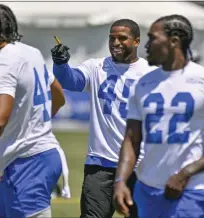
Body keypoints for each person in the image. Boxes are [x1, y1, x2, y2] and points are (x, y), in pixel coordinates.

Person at [113, 14, 204, 218]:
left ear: (173, 41)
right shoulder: (142, 84)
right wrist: (120, 181)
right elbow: (131, 139)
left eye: (153, 38)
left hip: (190, 191)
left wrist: (186, 173)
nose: (147, 45)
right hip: (146, 189)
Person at [51, 19, 157, 218]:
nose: (115, 42)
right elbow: (70, 80)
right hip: (100, 165)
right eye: (112, 38)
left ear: (136, 41)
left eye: (122, 38)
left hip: (140, 167)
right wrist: (60, 63)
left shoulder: (151, 73)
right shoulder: (96, 66)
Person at [0, 3, 67, 218]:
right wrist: (37, 126)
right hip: (37, 158)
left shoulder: (2, 66)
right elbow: (59, 97)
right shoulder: (31, 53)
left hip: (29, 164)